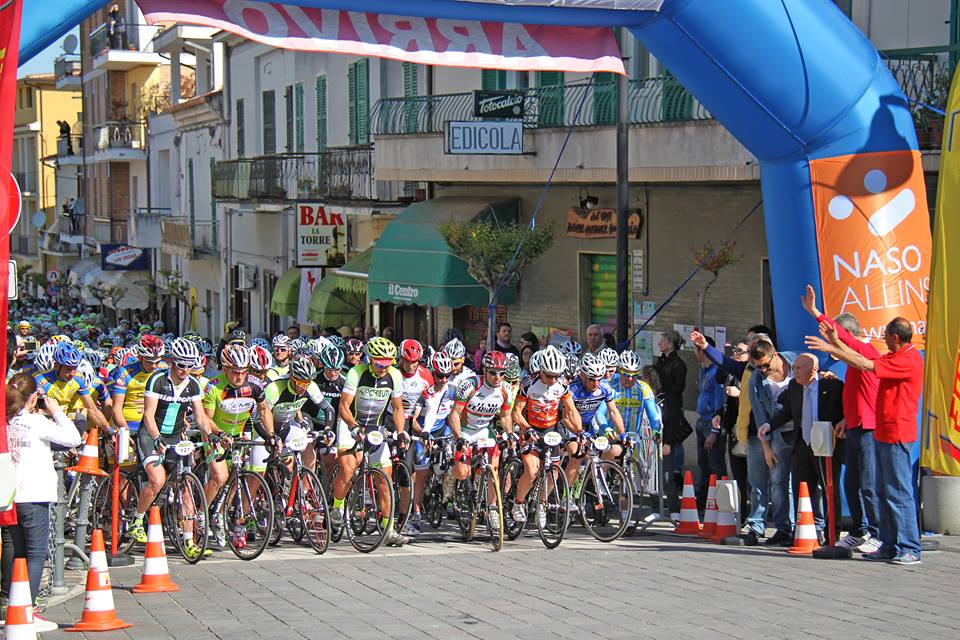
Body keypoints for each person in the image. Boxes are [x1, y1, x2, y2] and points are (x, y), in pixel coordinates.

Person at [806, 317, 923, 565]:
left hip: (897, 433)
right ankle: (889, 545)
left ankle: (910, 546)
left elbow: (866, 363)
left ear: (895, 338)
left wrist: (832, 347)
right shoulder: (893, 356)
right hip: (883, 432)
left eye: (887, 336)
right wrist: (826, 326)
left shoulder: (908, 360)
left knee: (898, 493)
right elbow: (855, 348)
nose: (884, 340)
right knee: (882, 491)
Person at [801, 285, 880, 553]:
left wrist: (816, 313)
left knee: (868, 483)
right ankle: (858, 530)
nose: (834, 348)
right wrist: (847, 418)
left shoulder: (867, 355)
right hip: (855, 426)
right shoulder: (851, 363)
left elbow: (847, 343)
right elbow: (855, 395)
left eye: (838, 341)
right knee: (851, 481)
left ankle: (876, 532)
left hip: (869, 428)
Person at [1, 373, 82, 631]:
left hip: (9, 495)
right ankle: (27, 610)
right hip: (34, 495)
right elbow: (72, 438)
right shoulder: (35, 422)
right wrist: (57, 411)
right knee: (35, 554)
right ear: (34, 397)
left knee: (14, 549)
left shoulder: (7, 421)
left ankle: (10, 604)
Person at [134, 339, 214, 560]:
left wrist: (212, 436)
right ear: (171, 362)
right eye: (181, 365)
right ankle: (137, 519)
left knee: (187, 486)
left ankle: (189, 542)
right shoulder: (157, 380)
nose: (185, 370)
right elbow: (148, 415)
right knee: (157, 480)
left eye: (189, 365)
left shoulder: (193, 384)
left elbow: (200, 417)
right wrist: (157, 437)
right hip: (152, 434)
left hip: (177, 436)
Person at [331, 337, 409, 547]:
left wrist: (401, 431)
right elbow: (344, 407)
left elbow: (399, 409)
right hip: (351, 424)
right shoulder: (357, 373)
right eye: (379, 363)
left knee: (385, 478)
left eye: (388, 363)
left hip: (376, 428)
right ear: (369, 359)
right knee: (348, 469)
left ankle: (388, 529)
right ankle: (337, 508)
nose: (384, 368)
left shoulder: (395, 375)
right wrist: (354, 427)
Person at [759, 354, 844, 543]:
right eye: (794, 367)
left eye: (799, 368)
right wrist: (769, 425)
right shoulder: (795, 387)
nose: (794, 372)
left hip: (825, 445)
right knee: (802, 489)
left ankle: (832, 533)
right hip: (802, 444)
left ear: (813, 370)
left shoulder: (832, 386)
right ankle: (804, 530)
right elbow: (788, 411)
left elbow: (843, 410)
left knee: (829, 488)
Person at [510, 345, 581, 523]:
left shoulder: (562, 385)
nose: (552, 380)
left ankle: (542, 504)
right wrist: (527, 428)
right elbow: (516, 413)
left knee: (553, 473)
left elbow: (571, 411)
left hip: (551, 430)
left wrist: (580, 431)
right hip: (531, 429)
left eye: (556, 376)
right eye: (549, 376)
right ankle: (518, 503)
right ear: (541, 370)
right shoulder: (528, 384)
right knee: (532, 471)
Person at [747, 338, 797, 547]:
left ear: (775, 355)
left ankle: (812, 526)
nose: (763, 370)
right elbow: (760, 417)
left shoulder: (796, 363)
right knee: (778, 481)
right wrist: (766, 448)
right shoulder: (756, 381)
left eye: (766, 365)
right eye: (758, 367)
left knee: (805, 483)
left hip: (802, 430)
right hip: (776, 433)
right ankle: (783, 527)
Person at [656, 329, 687, 515]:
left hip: (671, 409)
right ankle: (659, 502)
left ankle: (674, 505)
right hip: (661, 406)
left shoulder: (678, 364)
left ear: (670, 344)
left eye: (662, 341)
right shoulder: (661, 361)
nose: (659, 344)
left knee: (670, 462)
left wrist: (664, 386)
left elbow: (678, 389)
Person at [694, 336, 726, 507]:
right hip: (701, 420)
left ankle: (722, 502)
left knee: (716, 464)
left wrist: (715, 432)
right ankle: (704, 500)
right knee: (703, 464)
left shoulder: (717, 371)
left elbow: (719, 402)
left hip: (711, 423)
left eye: (696, 349)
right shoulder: (704, 370)